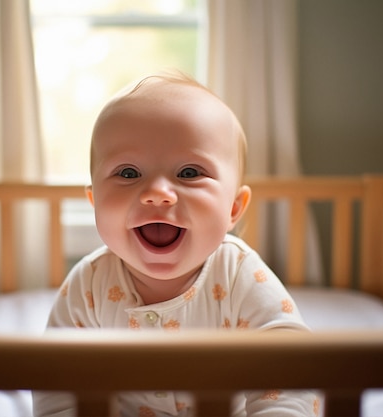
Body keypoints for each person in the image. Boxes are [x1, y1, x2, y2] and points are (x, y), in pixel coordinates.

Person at [33, 73, 320, 417]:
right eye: (127, 173)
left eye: (188, 173)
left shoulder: (239, 276)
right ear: (94, 202)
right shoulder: (89, 286)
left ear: (233, 209)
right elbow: (59, 386)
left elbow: (287, 374)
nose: (157, 193)